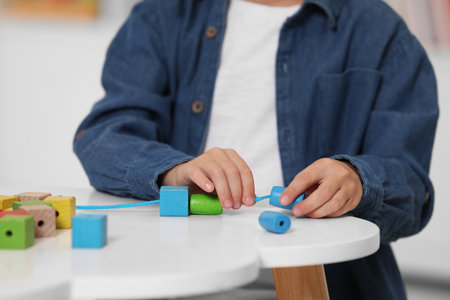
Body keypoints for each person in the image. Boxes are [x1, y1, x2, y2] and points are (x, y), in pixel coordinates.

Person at [73, 0, 439, 299]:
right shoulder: (161, 15)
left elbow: (412, 190)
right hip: (180, 281)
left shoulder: (382, 32)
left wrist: (359, 181)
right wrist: (173, 171)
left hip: (329, 285)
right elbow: (103, 136)